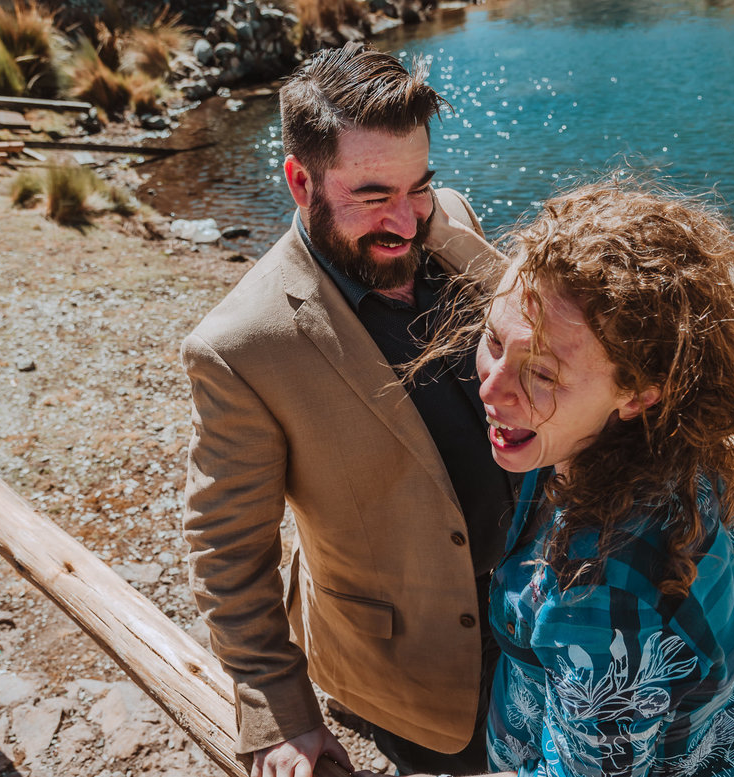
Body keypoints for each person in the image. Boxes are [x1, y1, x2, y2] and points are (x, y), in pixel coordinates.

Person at [181, 42, 516, 777]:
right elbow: (226, 548)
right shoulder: (240, 346)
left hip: (543, 613)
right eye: (372, 196)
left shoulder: (450, 217)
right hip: (414, 668)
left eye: (419, 185)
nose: (408, 222)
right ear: (300, 181)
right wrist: (279, 711)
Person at [396, 180, 734, 776]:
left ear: (637, 392)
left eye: (541, 374)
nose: (491, 389)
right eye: (492, 340)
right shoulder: (668, 442)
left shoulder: (598, 597)